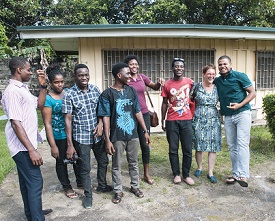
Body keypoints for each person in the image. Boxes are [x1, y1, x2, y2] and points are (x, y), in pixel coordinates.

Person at [1, 57, 52, 221]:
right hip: (22, 147)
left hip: (26, 145)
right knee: (36, 182)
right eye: (28, 70)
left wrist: (43, 85)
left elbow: (39, 105)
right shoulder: (12, 91)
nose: (31, 72)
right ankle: (37, 218)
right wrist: (31, 150)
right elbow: (16, 123)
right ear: (19, 70)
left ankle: (32, 213)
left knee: (26, 182)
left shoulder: (22, 89)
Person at [97, 62, 150, 204]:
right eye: (127, 74)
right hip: (117, 136)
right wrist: (107, 140)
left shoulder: (131, 91)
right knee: (116, 165)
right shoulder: (107, 94)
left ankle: (135, 186)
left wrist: (145, 130)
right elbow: (106, 117)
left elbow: (137, 111)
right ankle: (118, 190)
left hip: (133, 134)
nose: (130, 76)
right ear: (119, 76)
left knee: (133, 162)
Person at [62, 64, 112, 209]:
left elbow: (101, 111)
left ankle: (102, 185)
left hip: (97, 135)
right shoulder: (70, 94)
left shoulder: (95, 90)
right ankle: (88, 195)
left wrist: (101, 124)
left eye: (86, 75)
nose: (84, 78)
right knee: (85, 168)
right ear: (75, 76)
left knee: (103, 161)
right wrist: (70, 145)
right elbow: (68, 120)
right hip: (81, 137)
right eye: (80, 75)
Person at [214, 55, 256, 187]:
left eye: (225, 64)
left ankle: (243, 175)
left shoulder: (240, 76)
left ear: (230, 64)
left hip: (242, 113)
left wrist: (240, 105)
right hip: (227, 116)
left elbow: (252, 93)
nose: (223, 66)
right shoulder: (218, 81)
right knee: (232, 146)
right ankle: (236, 174)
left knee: (242, 143)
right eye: (220, 64)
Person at [41, 64, 81, 198]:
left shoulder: (69, 93)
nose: (59, 85)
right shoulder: (48, 99)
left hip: (73, 132)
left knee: (77, 159)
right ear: (51, 83)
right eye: (56, 82)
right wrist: (52, 145)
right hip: (58, 136)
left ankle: (80, 182)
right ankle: (67, 187)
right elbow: (47, 124)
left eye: (61, 82)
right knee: (61, 161)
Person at [124, 55, 164, 185]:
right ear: (127, 66)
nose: (134, 66)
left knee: (145, 145)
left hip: (145, 115)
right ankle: (134, 173)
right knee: (132, 146)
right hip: (130, 116)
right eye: (131, 64)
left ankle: (146, 174)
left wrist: (159, 82)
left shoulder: (142, 77)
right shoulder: (126, 79)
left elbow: (155, 87)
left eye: (136, 64)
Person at [161, 58, 195, 186]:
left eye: (181, 66)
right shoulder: (167, 85)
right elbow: (164, 103)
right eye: (176, 66)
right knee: (173, 149)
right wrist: (163, 120)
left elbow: (195, 96)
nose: (179, 68)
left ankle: (186, 175)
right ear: (172, 68)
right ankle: (176, 174)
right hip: (172, 120)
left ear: (184, 68)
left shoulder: (190, 82)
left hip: (187, 119)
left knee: (187, 149)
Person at [192, 64, 222, 184]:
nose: (211, 76)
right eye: (209, 73)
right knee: (198, 143)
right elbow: (188, 99)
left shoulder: (218, 87)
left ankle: (210, 172)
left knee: (212, 146)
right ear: (204, 74)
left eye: (213, 74)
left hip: (213, 118)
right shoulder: (196, 86)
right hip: (198, 117)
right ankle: (199, 167)